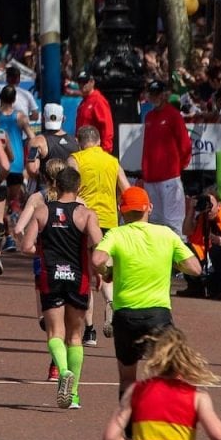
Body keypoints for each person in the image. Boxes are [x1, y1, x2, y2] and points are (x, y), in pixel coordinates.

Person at [93, 186, 202, 393]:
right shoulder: (166, 234)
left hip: (125, 315)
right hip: (157, 314)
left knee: (127, 379)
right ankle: (163, 417)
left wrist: (107, 271)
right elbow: (195, 268)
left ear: (121, 209)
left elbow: (97, 259)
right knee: (168, 375)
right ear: (149, 208)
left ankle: (129, 423)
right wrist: (173, 263)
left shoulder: (117, 234)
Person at [103, 324, 221, 440]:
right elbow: (219, 435)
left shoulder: (136, 391)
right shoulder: (197, 396)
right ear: (185, 357)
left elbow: (111, 438)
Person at [18, 164, 101, 408]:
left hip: (50, 275)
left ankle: (62, 370)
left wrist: (42, 251)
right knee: (75, 335)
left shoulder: (43, 211)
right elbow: (99, 245)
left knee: (55, 333)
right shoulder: (86, 214)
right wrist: (100, 269)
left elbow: (26, 246)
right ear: (78, 187)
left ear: (55, 186)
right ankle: (73, 394)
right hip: (78, 277)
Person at [73, 123, 130, 345]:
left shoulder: (76, 159)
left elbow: (72, 189)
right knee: (105, 271)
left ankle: (90, 331)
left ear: (80, 142)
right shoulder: (112, 162)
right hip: (109, 221)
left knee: (86, 273)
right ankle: (110, 301)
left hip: (85, 220)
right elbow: (126, 190)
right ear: (98, 141)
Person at [139, 80, 193, 235]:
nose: (153, 97)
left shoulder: (174, 115)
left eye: (156, 94)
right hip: (151, 179)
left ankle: (180, 256)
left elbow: (185, 145)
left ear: (164, 95)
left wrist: (177, 167)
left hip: (169, 178)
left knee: (173, 220)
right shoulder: (149, 116)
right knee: (154, 219)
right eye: (151, 94)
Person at [75, 70, 114, 153]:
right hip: (82, 149)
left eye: (84, 82)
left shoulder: (98, 101)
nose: (81, 85)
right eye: (79, 82)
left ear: (92, 82)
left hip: (95, 149)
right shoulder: (83, 103)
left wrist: (106, 150)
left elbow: (107, 126)